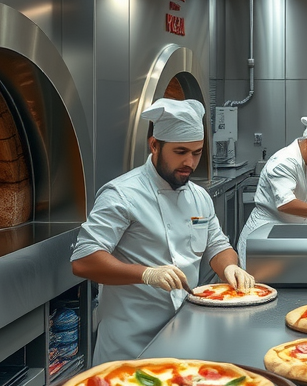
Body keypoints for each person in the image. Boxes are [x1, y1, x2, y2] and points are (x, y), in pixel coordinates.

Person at [72, 98, 252, 364]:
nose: (190, 162)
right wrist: (145, 273)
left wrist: (229, 267)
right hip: (131, 347)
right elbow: (83, 260)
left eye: (197, 152)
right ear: (154, 145)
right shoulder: (122, 194)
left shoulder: (199, 196)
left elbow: (217, 245)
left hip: (187, 336)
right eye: (180, 152)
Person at [237, 117, 307, 261]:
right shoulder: (284, 162)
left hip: (284, 235)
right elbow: (286, 204)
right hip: (265, 238)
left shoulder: (303, 162)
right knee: (259, 282)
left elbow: (301, 196)